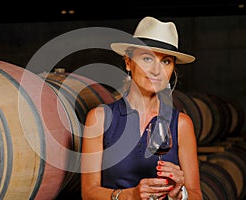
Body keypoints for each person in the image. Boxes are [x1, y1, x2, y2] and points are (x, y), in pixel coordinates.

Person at [81, 16, 202, 200]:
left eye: (166, 61)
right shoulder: (100, 118)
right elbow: (88, 193)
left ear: (172, 70)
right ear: (128, 62)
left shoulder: (181, 124)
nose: (156, 70)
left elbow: (196, 195)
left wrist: (180, 195)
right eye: (147, 58)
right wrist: (131, 195)